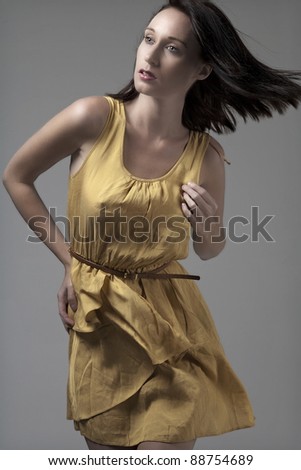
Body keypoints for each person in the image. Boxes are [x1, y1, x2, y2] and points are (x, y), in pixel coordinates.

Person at [2, 0, 301, 451]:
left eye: (173, 48)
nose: (151, 55)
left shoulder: (207, 156)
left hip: (172, 321)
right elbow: (16, 176)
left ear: (202, 70)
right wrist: (69, 265)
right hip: (101, 317)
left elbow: (209, 249)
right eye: (149, 39)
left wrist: (211, 225)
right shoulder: (92, 118)